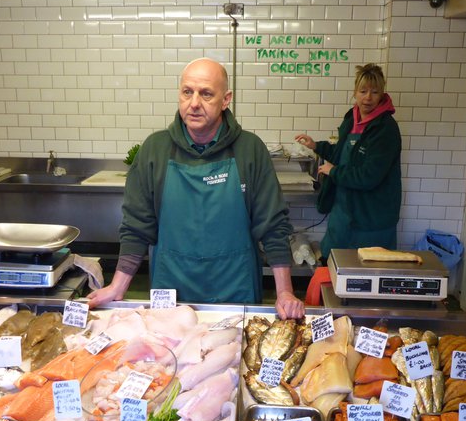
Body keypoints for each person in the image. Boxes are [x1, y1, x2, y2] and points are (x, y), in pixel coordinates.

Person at [88, 58, 304, 319]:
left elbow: (272, 225)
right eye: (187, 92)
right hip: (171, 291)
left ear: (226, 100)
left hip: (236, 288)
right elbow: (136, 225)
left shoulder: (250, 149)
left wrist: (284, 292)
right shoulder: (155, 149)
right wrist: (117, 286)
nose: (194, 103)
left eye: (206, 94)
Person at [295, 63, 402, 261]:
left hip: (371, 218)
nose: (368, 97)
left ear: (382, 94)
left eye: (374, 92)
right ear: (355, 92)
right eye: (363, 91)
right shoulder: (351, 119)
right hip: (343, 212)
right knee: (333, 264)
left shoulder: (385, 129)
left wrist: (333, 171)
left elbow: (369, 176)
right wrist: (316, 146)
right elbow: (344, 153)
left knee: (367, 274)